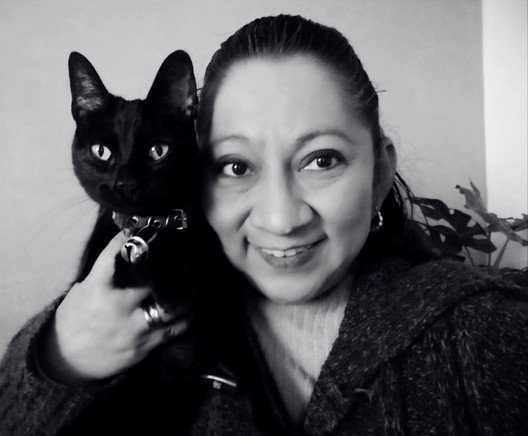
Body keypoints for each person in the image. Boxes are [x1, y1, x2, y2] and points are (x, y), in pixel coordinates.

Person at [1, 14, 527, 436]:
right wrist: (56, 360)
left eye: (322, 160)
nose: (281, 218)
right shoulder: (123, 300)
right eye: (236, 166)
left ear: (380, 171)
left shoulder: (487, 336)